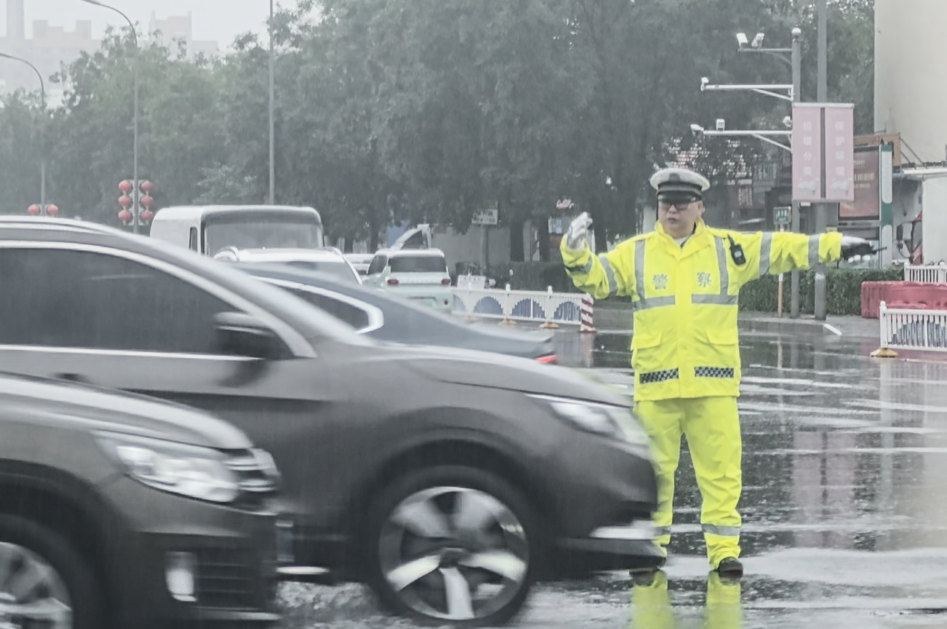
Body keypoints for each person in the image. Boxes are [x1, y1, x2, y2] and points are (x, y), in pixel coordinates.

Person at [560, 167, 874, 577]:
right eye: (665, 202)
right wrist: (575, 253)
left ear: (699, 207)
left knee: (723, 475)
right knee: (653, 475)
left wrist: (835, 245)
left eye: (681, 202)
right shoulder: (635, 252)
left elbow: (783, 248)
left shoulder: (729, 249)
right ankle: (650, 547)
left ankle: (724, 551)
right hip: (657, 388)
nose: (671, 209)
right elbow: (597, 282)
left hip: (713, 387)